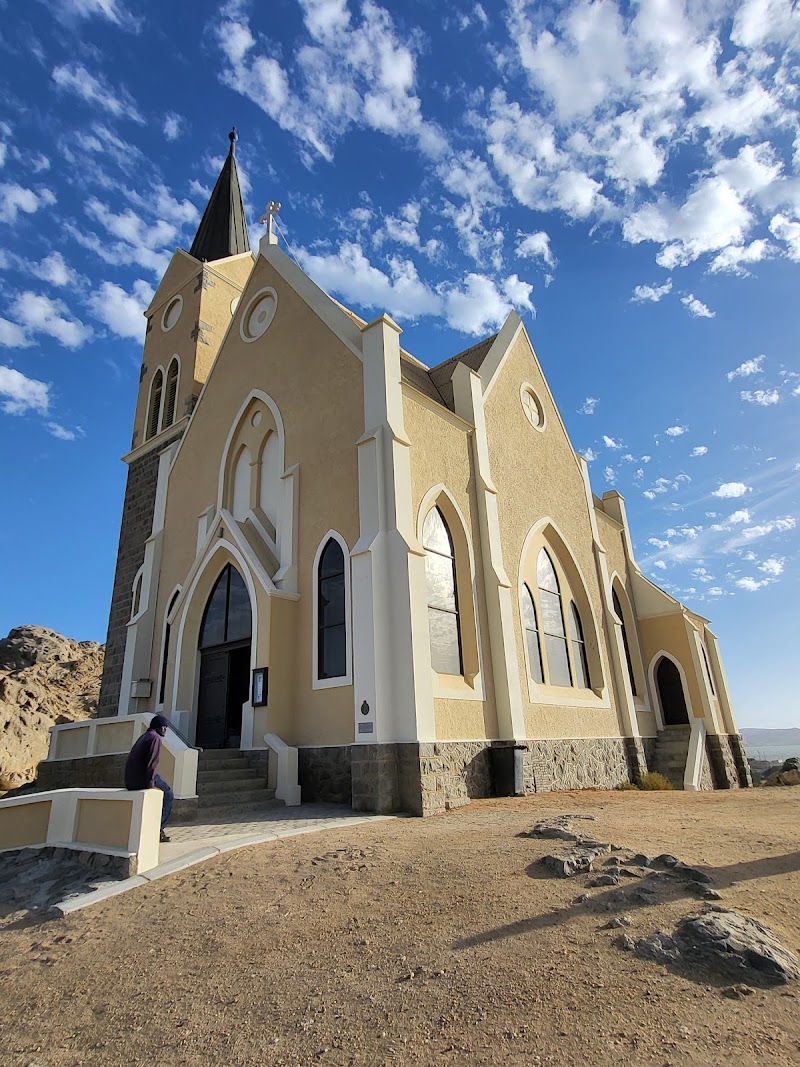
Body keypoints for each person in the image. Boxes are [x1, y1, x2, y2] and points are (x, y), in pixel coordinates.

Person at [124, 713, 174, 842]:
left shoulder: (145, 736)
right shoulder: (155, 738)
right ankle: (157, 829)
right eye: (162, 727)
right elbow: (152, 763)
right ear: (157, 727)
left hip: (132, 779)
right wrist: (150, 784)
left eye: (166, 727)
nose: (164, 730)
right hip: (142, 778)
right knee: (168, 794)